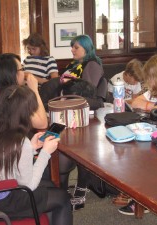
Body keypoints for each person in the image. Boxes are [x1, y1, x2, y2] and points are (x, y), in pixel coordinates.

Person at [0, 85, 72, 225]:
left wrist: (31, 147)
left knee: (49, 185)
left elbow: (6, 159)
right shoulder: (19, 142)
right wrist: (45, 153)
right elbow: (28, 186)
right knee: (63, 198)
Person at [118, 53, 157, 215]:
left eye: (150, 78)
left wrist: (152, 105)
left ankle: (145, 199)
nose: (147, 82)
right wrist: (155, 104)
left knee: (144, 155)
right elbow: (136, 102)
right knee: (135, 153)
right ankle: (142, 197)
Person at [58, 34, 108, 210]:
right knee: (71, 150)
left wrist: (66, 96)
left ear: (86, 49)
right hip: (71, 110)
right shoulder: (74, 65)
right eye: (72, 46)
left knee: (83, 154)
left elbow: (87, 92)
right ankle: (64, 192)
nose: (72, 49)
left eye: (76, 47)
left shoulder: (92, 64)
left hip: (86, 113)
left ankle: (80, 192)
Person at [0, 53, 48, 129]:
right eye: (22, 69)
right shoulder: (13, 97)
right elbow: (42, 124)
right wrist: (34, 90)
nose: (25, 73)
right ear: (12, 74)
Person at [22, 33, 60, 110]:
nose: (31, 52)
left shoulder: (49, 60)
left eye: (34, 49)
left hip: (39, 92)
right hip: (24, 91)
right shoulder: (27, 59)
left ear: (41, 47)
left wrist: (32, 77)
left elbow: (54, 82)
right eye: (29, 49)